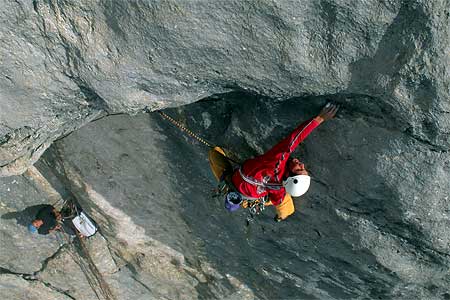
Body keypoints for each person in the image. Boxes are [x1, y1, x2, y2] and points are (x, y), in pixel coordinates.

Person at [209, 102, 339, 222]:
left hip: (233, 181)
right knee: (285, 203)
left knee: (214, 153)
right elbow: (279, 200)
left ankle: (281, 214)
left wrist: (319, 118)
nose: (302, 164)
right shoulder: (278, 188)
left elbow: (294, 140)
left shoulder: (276, 162)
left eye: (299, 169)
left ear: (289, 176)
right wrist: (279, 214)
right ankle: (281, 217)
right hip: (250, 197)